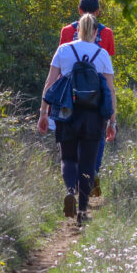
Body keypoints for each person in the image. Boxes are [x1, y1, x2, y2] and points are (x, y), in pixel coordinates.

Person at [38, 14, 117, 226]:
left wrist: (43, 112)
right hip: (94, 117)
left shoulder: (64, 50)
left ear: (77, 30)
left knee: (68, 159)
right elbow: (110, 91)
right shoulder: (102, 54)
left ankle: (70, 191)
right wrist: (112, 122)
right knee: (87, 163)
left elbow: (49, 83)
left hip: (66, 113)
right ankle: (82, 211)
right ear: (96, 33)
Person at [56, 0, 115, 196]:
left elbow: (60, 69)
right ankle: (93, 173)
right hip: (96, 96)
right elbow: (106, 68)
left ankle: (71, 187)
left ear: (79, 11)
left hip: (69, 96)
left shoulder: (66, 31)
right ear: (98, 12)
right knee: (97, 135)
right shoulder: (106, 33)